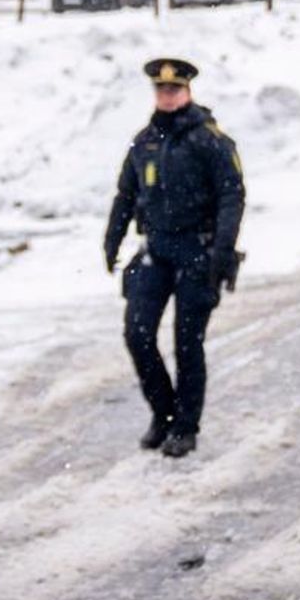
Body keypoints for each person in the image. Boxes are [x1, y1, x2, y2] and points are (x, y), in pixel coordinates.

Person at [103, 57, 245, 458]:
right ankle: (163, 414)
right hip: (156, 251)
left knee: (187, 343)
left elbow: (232, 196)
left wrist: (221, 251)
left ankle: (185, 426)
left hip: (198, 254)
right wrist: (112, 240)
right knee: (138, 333)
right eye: (161, 90)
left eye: (174, 89)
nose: (167, 95)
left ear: (187, 91)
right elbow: (126, 195)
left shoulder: (210, 140)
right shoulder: (144, 141)